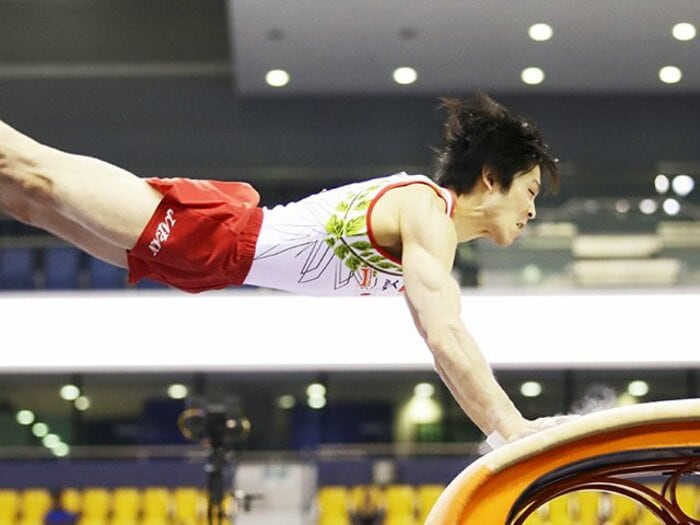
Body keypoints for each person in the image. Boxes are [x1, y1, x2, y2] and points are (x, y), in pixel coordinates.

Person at [0, 91, 573, 443]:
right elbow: (444, 334)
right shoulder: (428, 211)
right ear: (491, 178)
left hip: (211, 266)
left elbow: (441, 347)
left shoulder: (433, 231)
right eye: (528, 189)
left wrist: (502, 430)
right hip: (215, 233)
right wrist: (511, 426)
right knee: (31, 173)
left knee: (24, 201)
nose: (531, 208)